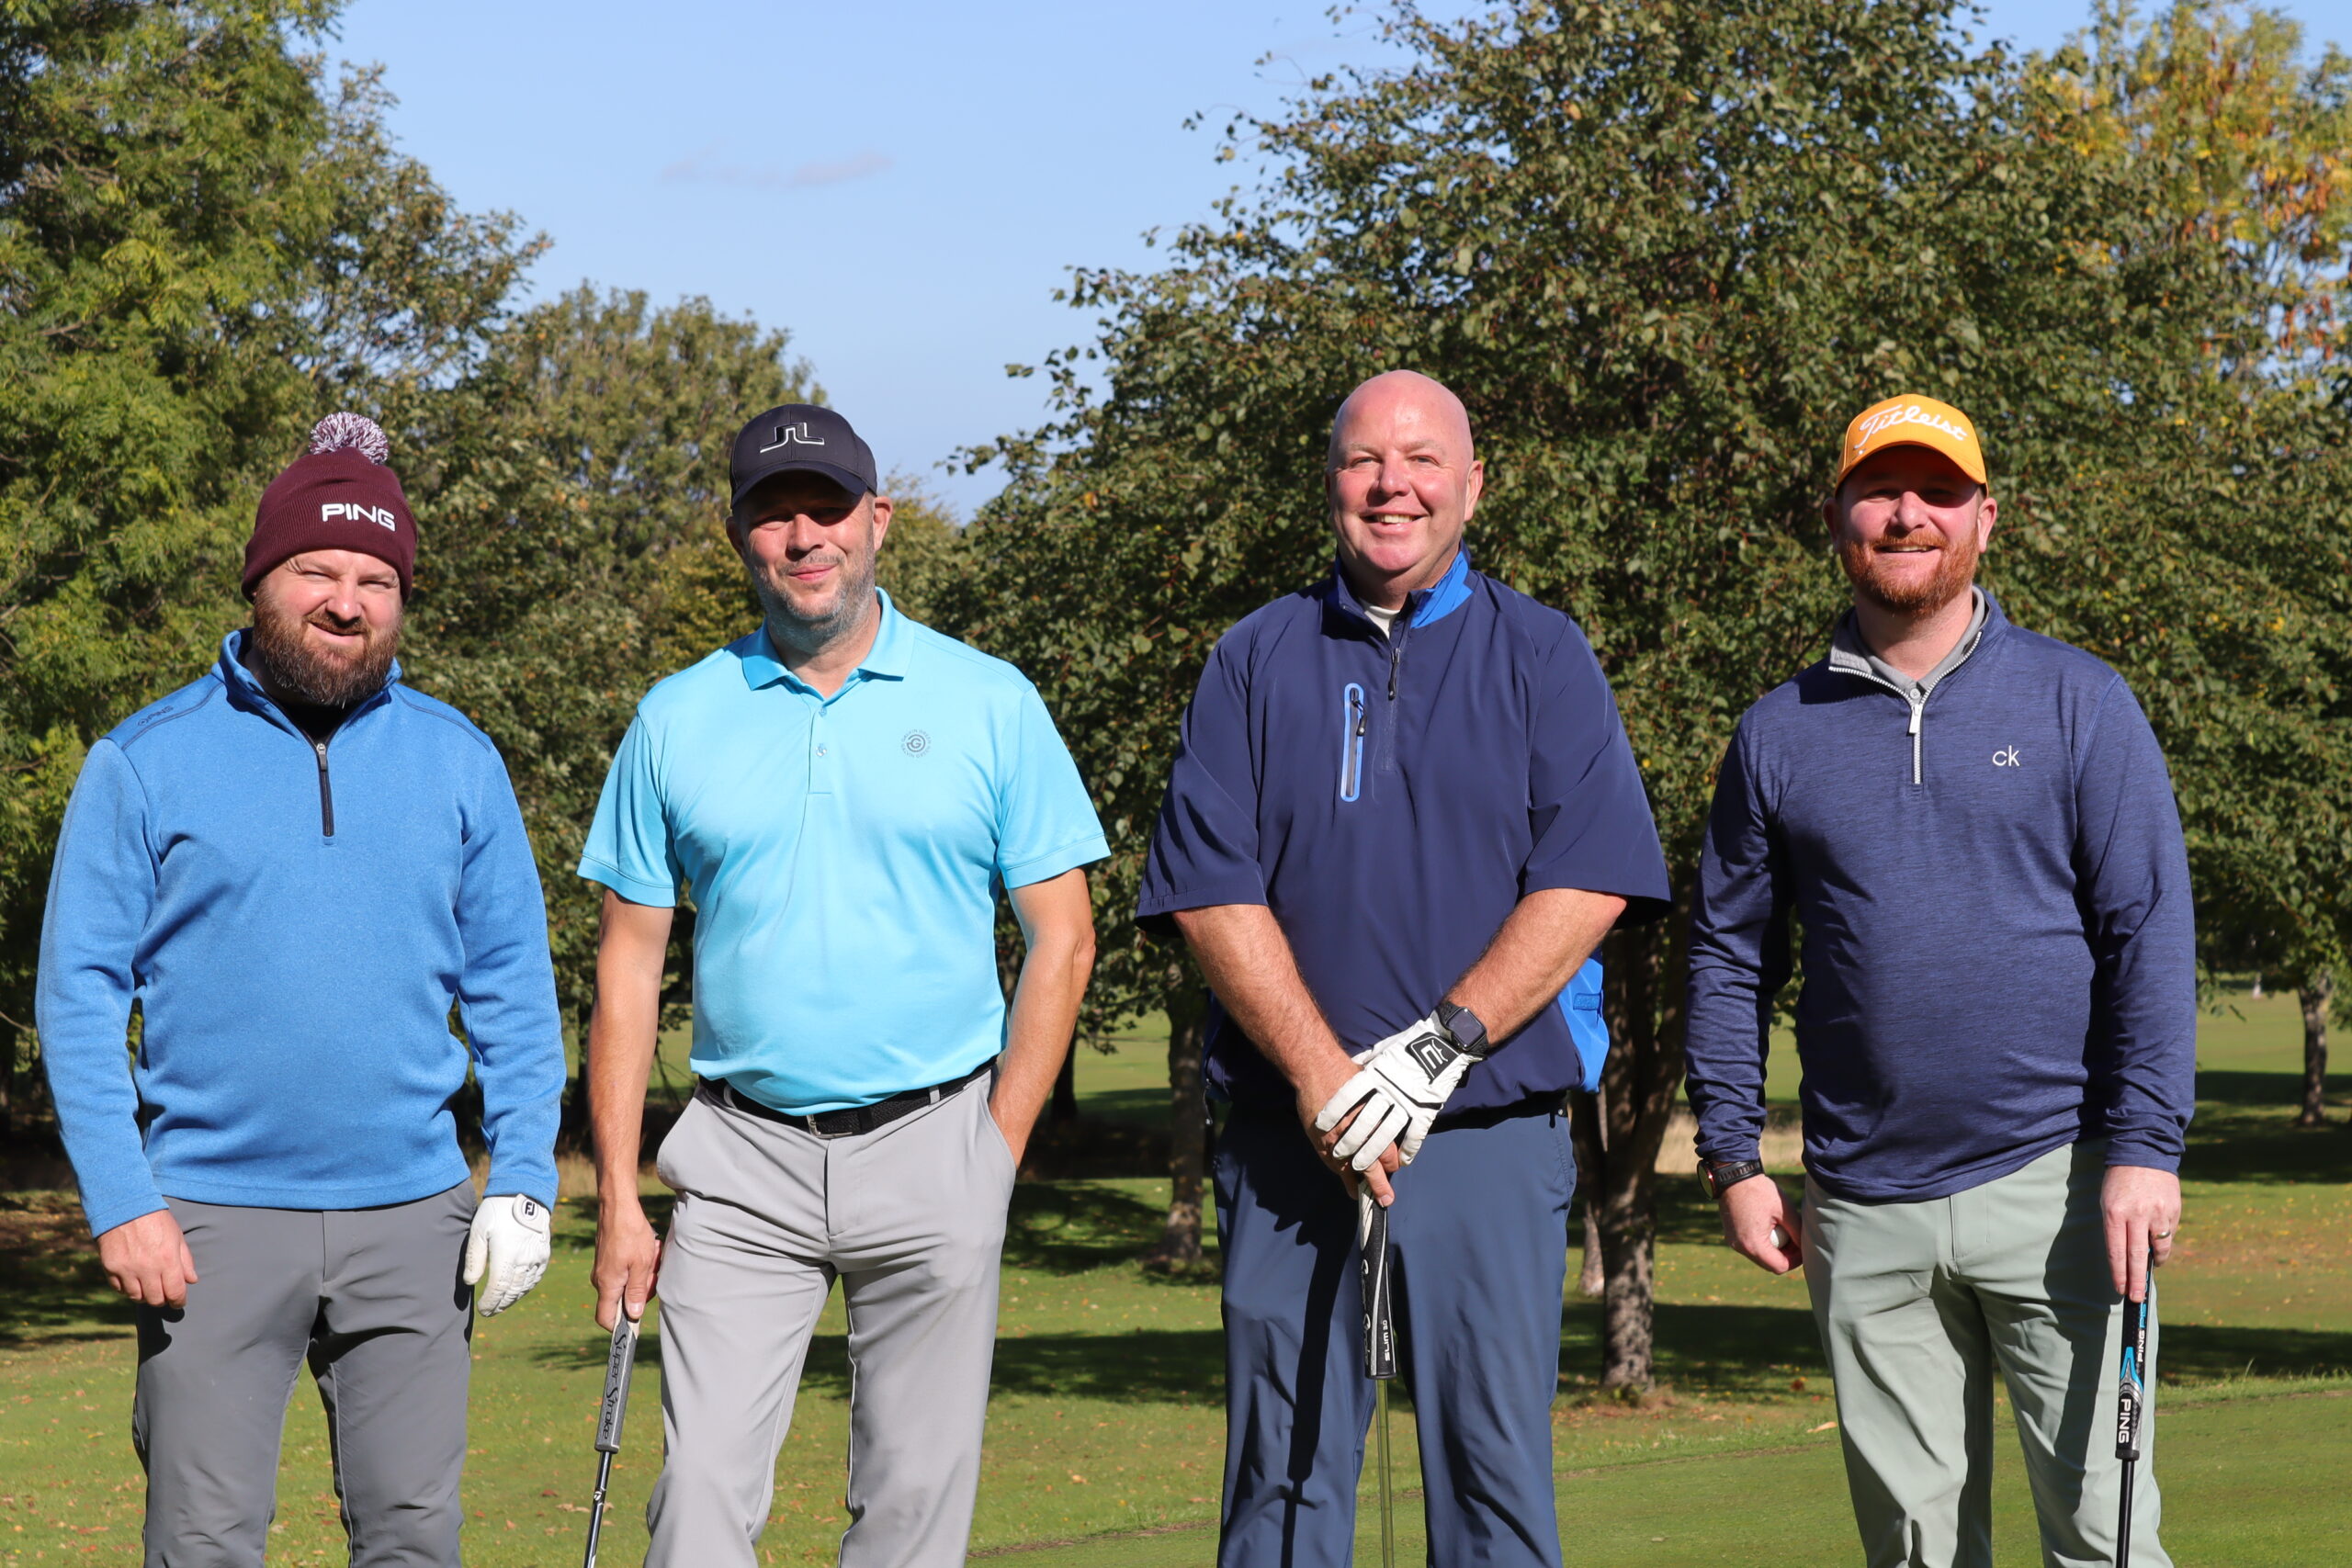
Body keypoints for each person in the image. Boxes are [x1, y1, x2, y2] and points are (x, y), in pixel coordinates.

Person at [1136, 370, 1671, 1568]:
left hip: (1489, 1131)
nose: (1394, 485)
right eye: (1365, 460)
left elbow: (1588, 879)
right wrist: (1327, 1078)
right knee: (1281, 1489)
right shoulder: (1253, 658)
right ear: (1330, 482)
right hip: (1291, 1135)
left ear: (1473, 485)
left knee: (1492, 1493)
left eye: (1424, 460)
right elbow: (1211, 891)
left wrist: (1436, 1049)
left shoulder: (1543, 654)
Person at [37, 412, 567, 1568]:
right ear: (260, 581)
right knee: (202, 1543)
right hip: (204, 1222)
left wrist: (525, 1175)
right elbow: (78, 993)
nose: (346, 602)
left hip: (416, 1220)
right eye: (316, 571)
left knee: (415, 1538)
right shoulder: (143, 760)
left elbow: (515, 990)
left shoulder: (459, 759)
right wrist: (121, 1199)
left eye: (377, 580)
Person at [582, 402, 1105, 1568]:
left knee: (913, 1514)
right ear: (738, 537)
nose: (803, 536)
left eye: (826, 509)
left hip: (936, 1142)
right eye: (774, 515)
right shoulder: (676, 716)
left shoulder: (988, 699)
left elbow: (1062, 938)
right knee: (697, 1503)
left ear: (878, 520)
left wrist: (996, 1150)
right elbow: (628, 963)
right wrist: (617, 1195)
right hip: (739, 1162)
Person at [1684, 392, 2192, 1566]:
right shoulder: (1777, 733)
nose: (1907, 514)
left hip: (2062, 1188)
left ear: (1984, 519)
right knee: (1916, 1554)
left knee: (2105, 1541)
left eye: (1938, 492)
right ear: (1837, 520)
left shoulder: (2078, 702)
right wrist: (1732, 1159)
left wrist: (2145, 1149)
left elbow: (2148, 935)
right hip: (1862, 1206)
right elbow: (1728, 955)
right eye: (1880, 491)